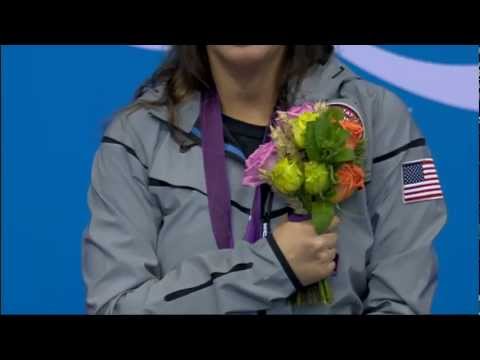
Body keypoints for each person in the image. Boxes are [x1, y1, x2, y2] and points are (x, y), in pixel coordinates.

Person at [82, 45, 447, 314]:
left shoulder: (381, 121)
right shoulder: (134, 140)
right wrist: (274, 265)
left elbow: (402, 301)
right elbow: (114, 308)